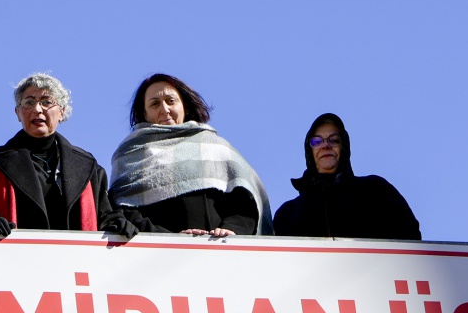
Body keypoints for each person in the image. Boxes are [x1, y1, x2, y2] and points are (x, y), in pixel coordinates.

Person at [0, 73, 134, 239]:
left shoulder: (89, 167)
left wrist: (117, 223)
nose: (37, 109)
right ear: (18, 113)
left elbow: (105, 216)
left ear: (61, 112)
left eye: (46, 102)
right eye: (29, 102)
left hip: (74, 263)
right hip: (15, 262)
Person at [109, 73, 271, 237]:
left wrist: (232, 229)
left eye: (171, 101)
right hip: (158, 255)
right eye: (155, 104)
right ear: (144, 113)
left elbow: (246, 202)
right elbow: (122, 210)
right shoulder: (130, 154)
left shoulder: (215, 146)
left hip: (222, 253)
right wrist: (168, 237)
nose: (165, 109)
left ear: (184, 105)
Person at [272, 112, 421, 240]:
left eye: (334, 140)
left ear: (344, 147)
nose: (325, 146)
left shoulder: (376, 190)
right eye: (317, 141)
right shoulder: (288, 213)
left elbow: (410, 240)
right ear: (309, 151)